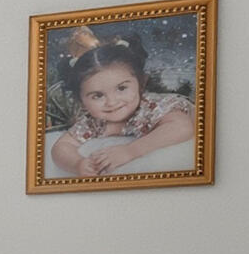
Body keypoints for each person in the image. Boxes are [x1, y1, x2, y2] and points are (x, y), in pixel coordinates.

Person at [49, 30, 195, 178]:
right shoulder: (92, 122)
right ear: (81, 101)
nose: (112, 102)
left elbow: (182, 127)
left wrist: (131, 151)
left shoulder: (151, 106)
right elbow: (61, 147)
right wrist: (76, 164)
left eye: (122, 88)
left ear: (141, 83)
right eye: (98, 96)